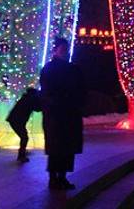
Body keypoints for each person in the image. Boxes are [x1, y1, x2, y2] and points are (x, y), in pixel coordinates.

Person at [40, 37, 85, 190]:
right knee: (57, 147)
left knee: (66, 147)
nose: (66, 52)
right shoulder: (51, 69)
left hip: (67, 114)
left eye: (66, 49)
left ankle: (61, 177)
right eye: (63, 49)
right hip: (57, 114)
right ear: (55, 51)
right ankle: (54, 178)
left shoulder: (71, 69)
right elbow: (48, 92)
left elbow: (81, 89)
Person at [6, 87, 42, 163]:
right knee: (24, 137)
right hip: (17, 121)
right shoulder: (29, 100)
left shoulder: (26, 98)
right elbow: (38, 108)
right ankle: (21, 155)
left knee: (24, 137)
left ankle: (22, 152)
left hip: (15, 120)